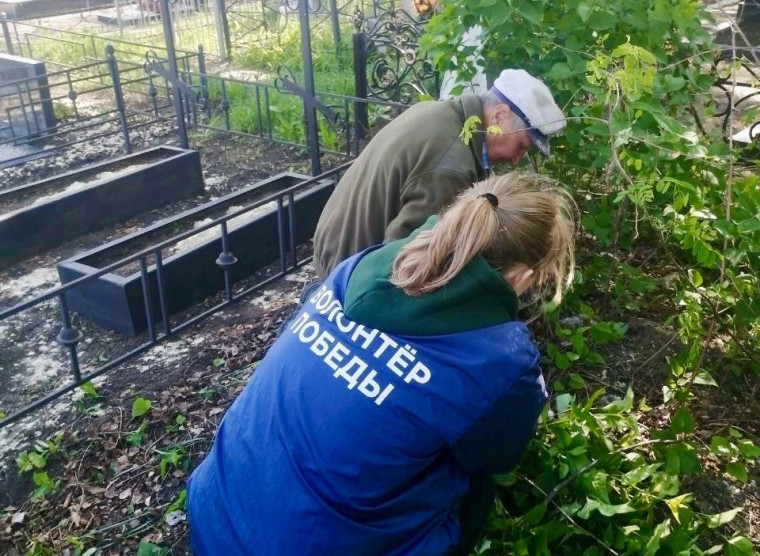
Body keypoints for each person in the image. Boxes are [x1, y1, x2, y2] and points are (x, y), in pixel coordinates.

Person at [187, 172, 576, 556]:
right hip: (300, 544)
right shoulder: (500, 359)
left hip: (215, 512)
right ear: (522, 276)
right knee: (476, 482)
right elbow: (498, 456)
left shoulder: (360, 266)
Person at [312, 68, 566, 280]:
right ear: (500, 115)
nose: (515, 161)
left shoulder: (439, 112)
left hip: (336, 247)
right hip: (348, 275)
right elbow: (402, 261)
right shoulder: (452, 168)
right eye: (521, 146)